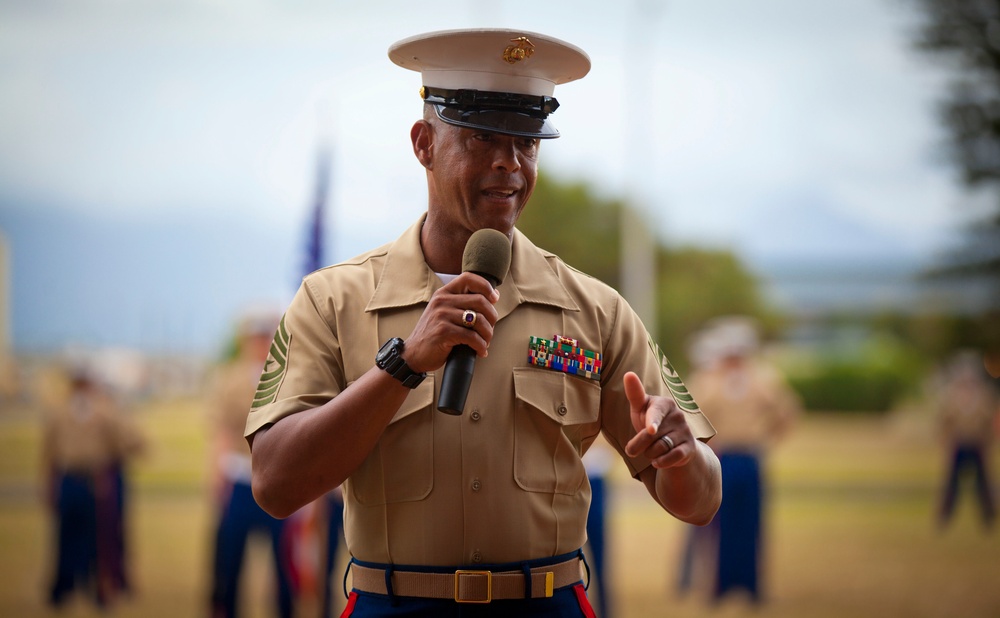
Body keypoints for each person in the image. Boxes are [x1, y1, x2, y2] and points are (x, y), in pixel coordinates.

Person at [245, 28, 722, 616]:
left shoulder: (596, 309)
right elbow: (273, 483)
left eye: (527, 142)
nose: (509, 164)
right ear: (423, 143)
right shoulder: (331, 299)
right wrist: (404, 364)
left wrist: (681, 457)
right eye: (482, 138)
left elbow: (699, 500)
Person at [677, 316, 799, 605]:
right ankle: (719, 585)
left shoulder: (763, 378)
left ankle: (751, 584)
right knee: (719, 525)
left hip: (750, 456)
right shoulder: (708, 379)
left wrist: (768, 440)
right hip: (721, 456)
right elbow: (692, 413)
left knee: (752, 523)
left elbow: (786, 410)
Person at [207, 310, 296, 618]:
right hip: (240, 477)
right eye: (256, 337)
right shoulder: (230, 380)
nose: (261, 344)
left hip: (278, 477)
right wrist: (217, 478)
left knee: (283, 562)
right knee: (230, 559)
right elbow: (221, 431)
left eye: (266, 337)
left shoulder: (288, 375)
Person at [42, 363, 145, 609]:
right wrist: (49, 483)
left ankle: (99, 587)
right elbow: (49, 451)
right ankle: (63, 585)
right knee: (65, 535)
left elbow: (128, 442)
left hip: (97, 481)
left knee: (99, 538)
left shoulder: (105, 412)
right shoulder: (60, 412)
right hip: (69, 478)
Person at [935, 349, 999, 531]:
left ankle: (988, 516)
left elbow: (990, 421)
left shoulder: (984, 395)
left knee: (983, 482)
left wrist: (989, 440)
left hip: (977, 443)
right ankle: (945, 516)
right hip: (959, 443)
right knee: (952, 482)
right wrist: (945, 440)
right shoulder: (951, 396)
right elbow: (944, 421)